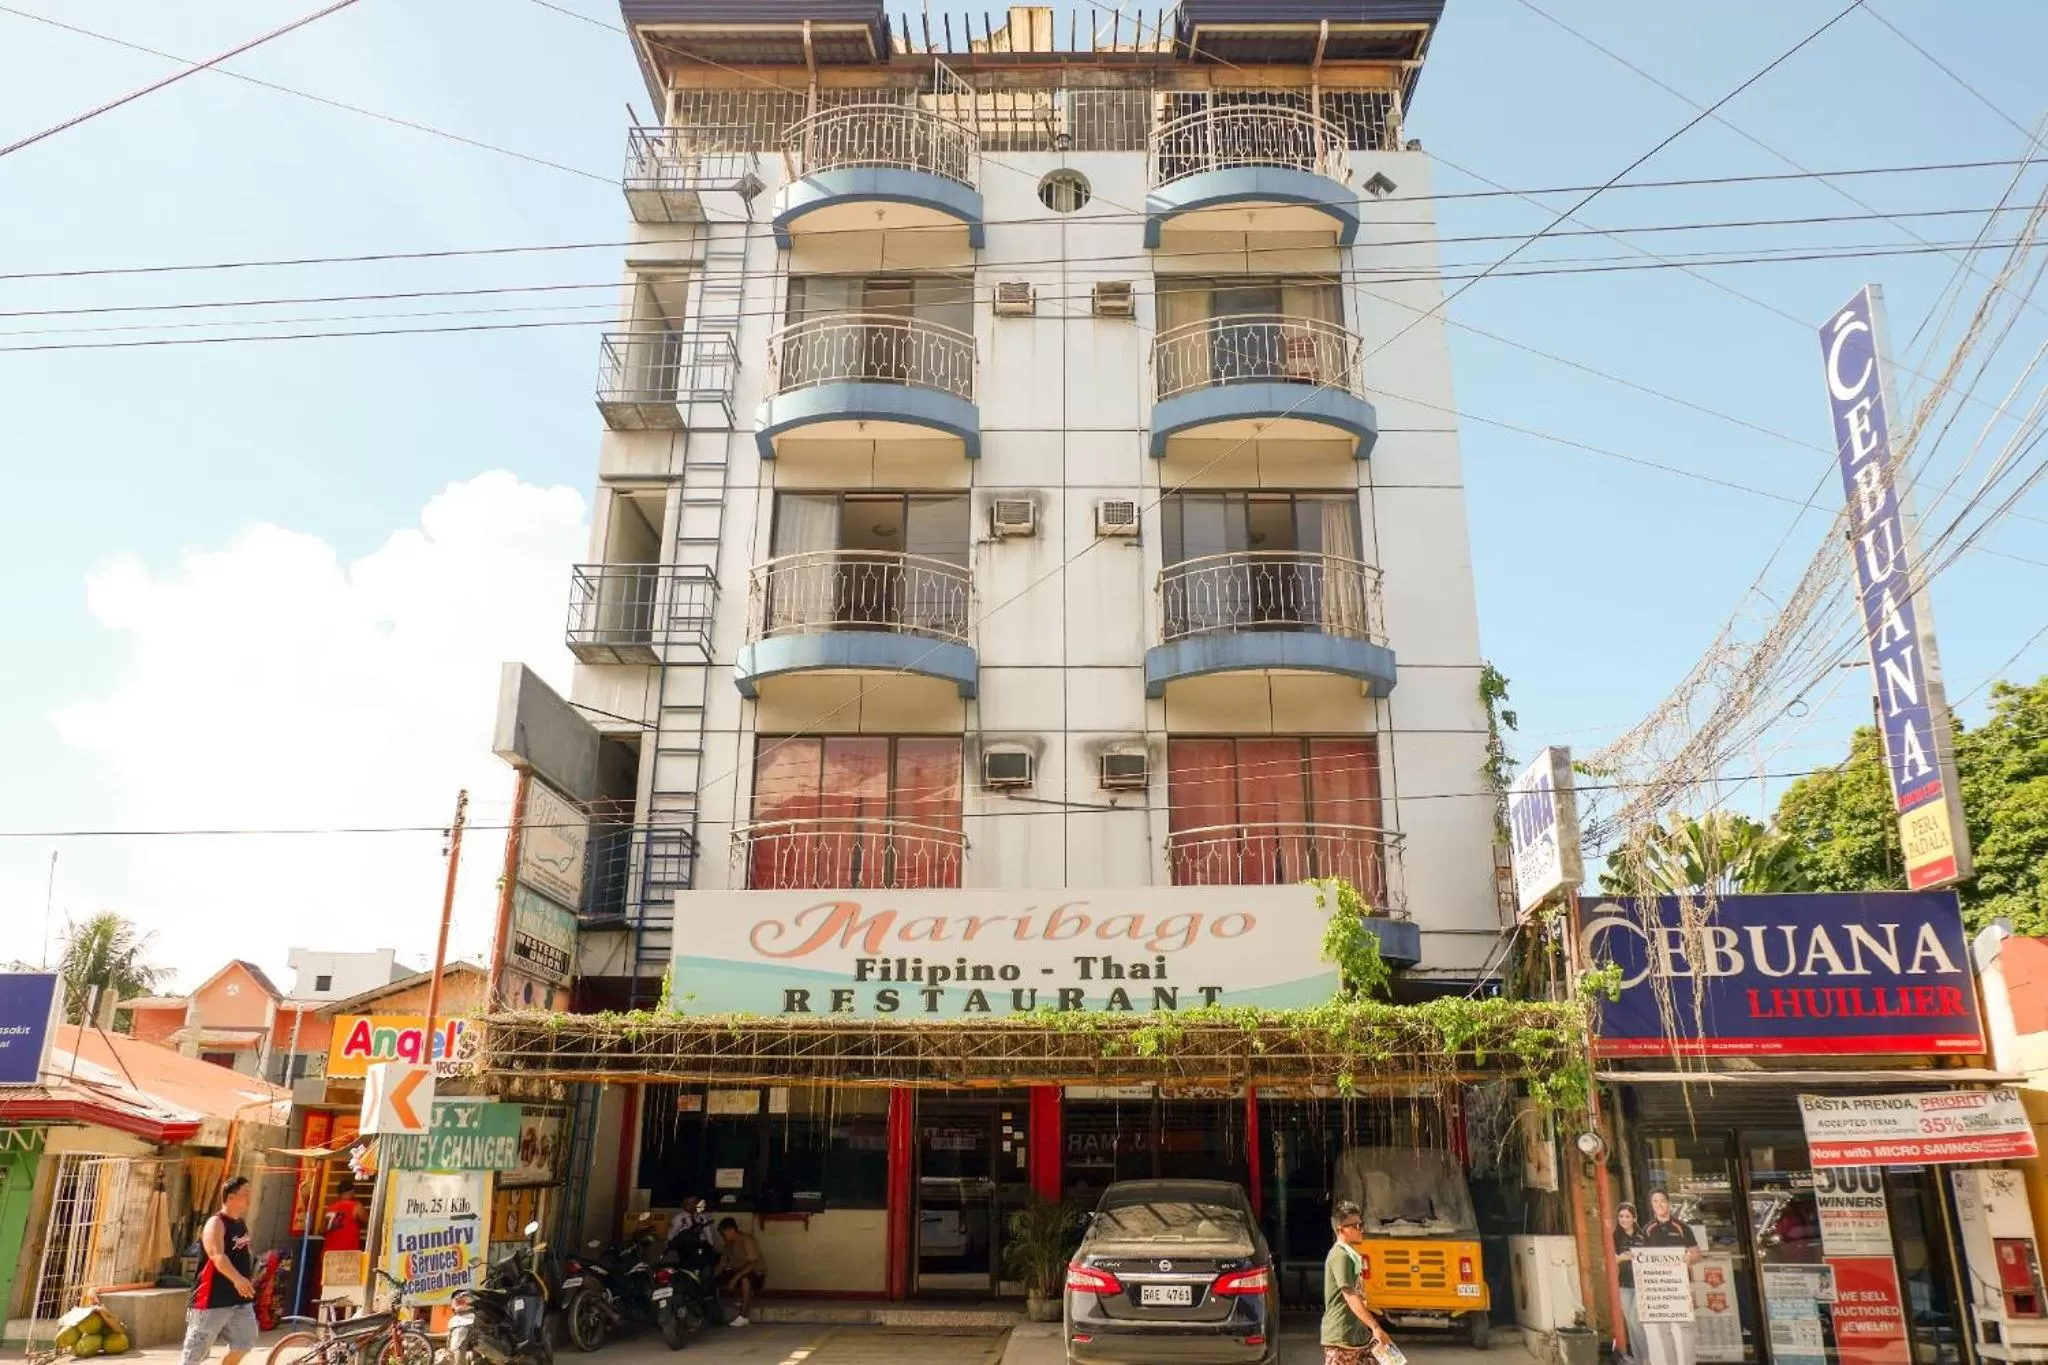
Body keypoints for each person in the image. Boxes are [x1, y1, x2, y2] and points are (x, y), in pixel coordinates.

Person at [182, 1177, 258, 1365]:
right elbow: (217, 1255)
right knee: (195, 1353)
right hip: (212, 1299)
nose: (249, 1197)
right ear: (231, 1198)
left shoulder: (240, 1223)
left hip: (240, 1299)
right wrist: (238, 1279)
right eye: (244, 1194)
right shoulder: (215, 1223)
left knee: (244, 1342)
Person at [1322, 1200, 1392, 1365]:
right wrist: (1375, 1327)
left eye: (1361, 1224)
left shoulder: (1351, 1254)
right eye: (1355, 1226)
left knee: (1392, 1360)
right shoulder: (1340, 1256)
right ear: (1341, 1230)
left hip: (1358, 1336)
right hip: (1342, 1339)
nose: (1361, 1229)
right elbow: (1350, 1295)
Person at [1636, 1190, 1701, 1365]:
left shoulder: (1682, 1227)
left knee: (1684, 1327)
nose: (1659, 1204)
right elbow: (1642, 1257)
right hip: (1660, 1287)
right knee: (1663, 1328)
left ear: (1669, 1203)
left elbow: (1696, 1253)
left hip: (1681, 1285)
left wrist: (1688, 1259)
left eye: (1662, 1200)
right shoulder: (1647, 1229)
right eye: (1655, 1201)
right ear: (1652, 1205)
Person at [714, 1217, 766, 1327]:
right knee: (717, 1278)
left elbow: (752, 1263)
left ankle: (743, 1316)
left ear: (731, 1231)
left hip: (754, 1272)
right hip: (738, 1271)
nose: (723, 1238)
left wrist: (735, 1278)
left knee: (745, 1280)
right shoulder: (728, 1244)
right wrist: (713, 1276)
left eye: (724, 1234)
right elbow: (722, 1263)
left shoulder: (747, 1240)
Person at [1613, 1203, 1644, 1364]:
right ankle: (1638, 1358)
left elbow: (1648, 1257)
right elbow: (1611, 1259)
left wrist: (1629, 1256)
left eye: (1627, 1216)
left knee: (1636, 1319)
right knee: (1631, 1323)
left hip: (1641, 1284)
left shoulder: (1642, 1237)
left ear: (1634, 1218)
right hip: (1623, 1284)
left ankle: (1647, 1357)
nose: (1623, 1220)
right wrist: (1623, 1257)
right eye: (1620, 1216)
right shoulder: (1615, 1237)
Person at [322, 1188, 363, 1254]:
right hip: (348, 1251)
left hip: (329, 1251)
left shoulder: (329, 1208)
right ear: (352, 1191)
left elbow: (323, 1229)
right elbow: (367, 1220)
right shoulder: (356, 1206)